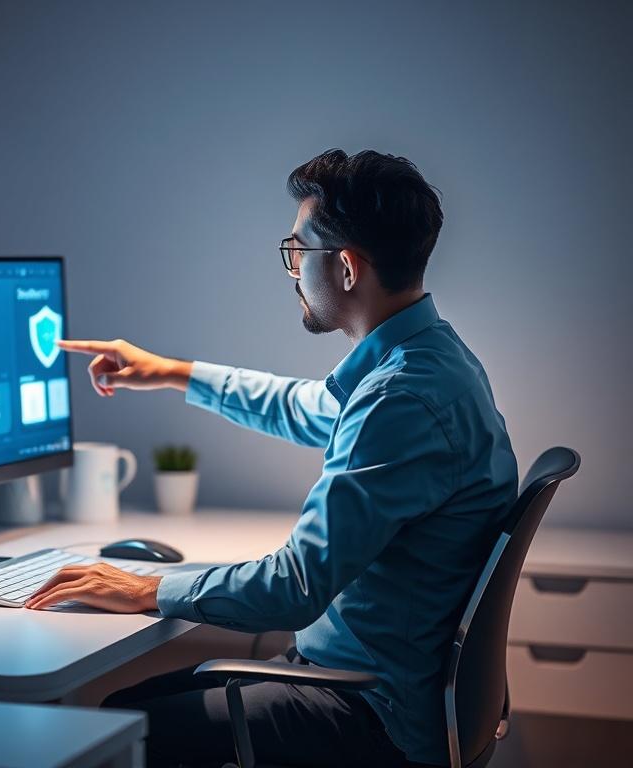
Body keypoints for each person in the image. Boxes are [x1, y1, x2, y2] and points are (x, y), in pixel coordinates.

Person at [26, 149, 518, 767]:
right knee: (131, 707)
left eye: (297, 252)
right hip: (377, 679)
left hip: (371, 711)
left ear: (344, 267)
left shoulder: (403, 397)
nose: (291, 272)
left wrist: (147, 587)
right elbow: (304, 406)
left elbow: (296, 587)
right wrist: (171, 372)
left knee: (125, 728)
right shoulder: (432, 358)